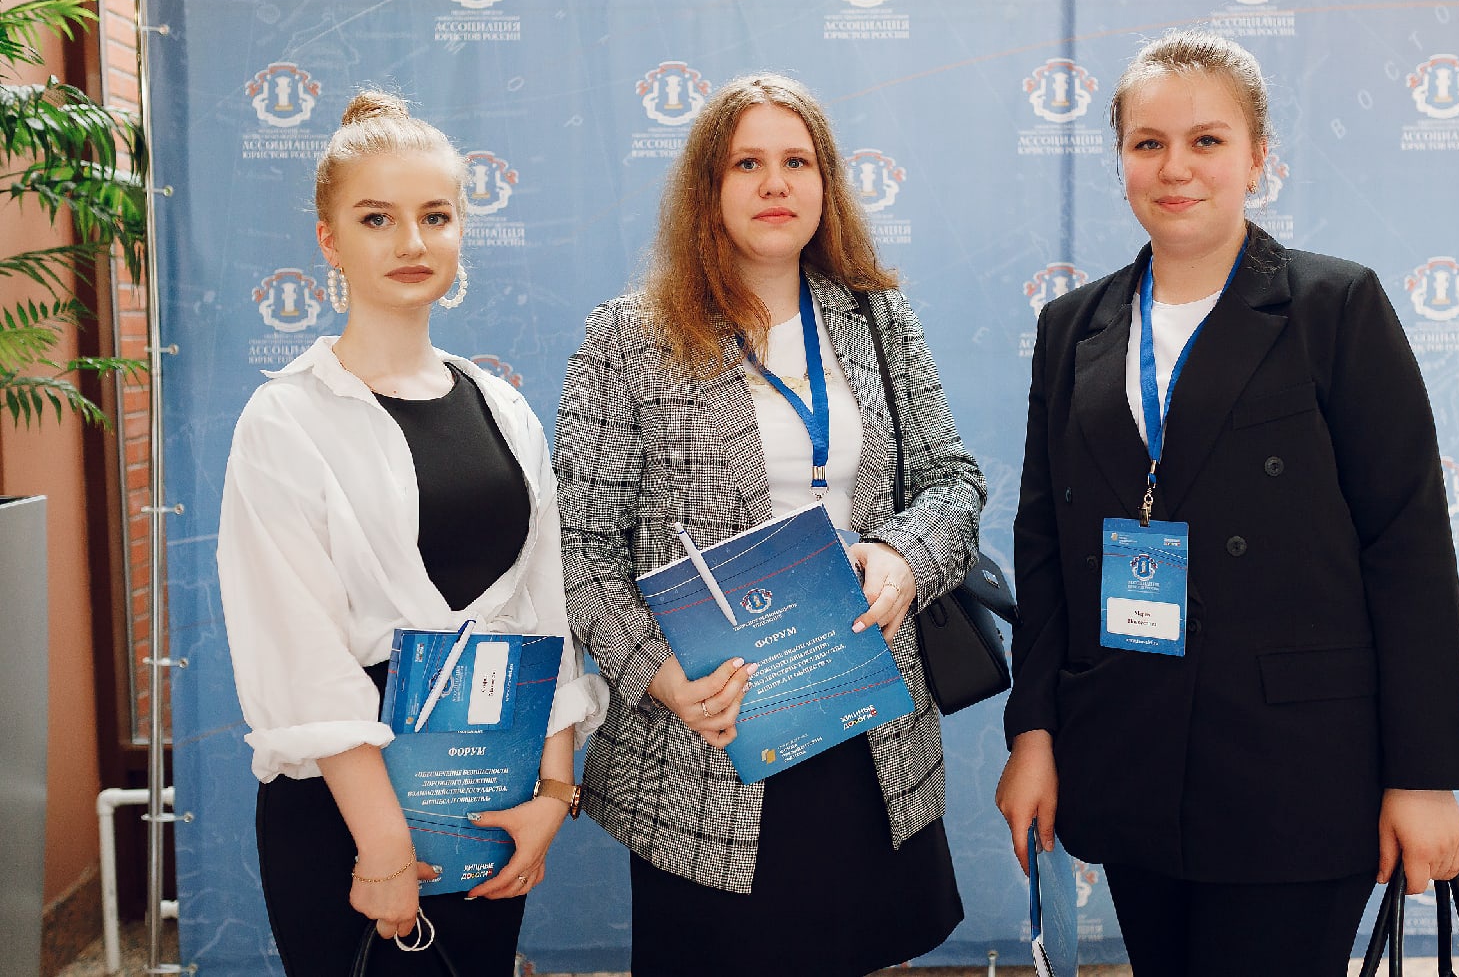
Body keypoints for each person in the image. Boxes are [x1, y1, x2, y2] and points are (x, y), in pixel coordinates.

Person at [995, 31, 1459, 976]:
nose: (1175, 167)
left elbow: (1408, 545)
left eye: (1207, 141)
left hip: (1295, 766)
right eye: (1148, 143)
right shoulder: (1072, 326)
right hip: (1127, 748)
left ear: (1258, 157)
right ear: (1122, 160)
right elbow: (1044, 545)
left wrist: (1422, 776)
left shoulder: (1334, 306)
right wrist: (1035, 732)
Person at [555, 73, 985, 977]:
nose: (775, 183)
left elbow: (954, 482)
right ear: (708, 188)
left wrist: (902, 556)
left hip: (869, 724)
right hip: (708, 732)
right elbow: (583, 552)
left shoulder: (876, 320)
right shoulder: (628, 338)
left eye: (797, 161)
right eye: (747, 163)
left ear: (827, 184)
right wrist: (665, 679)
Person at [216, 90, 606, 976]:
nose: (412, 242)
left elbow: (545, 617)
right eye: (377, 218)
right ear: (329, 240)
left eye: (435, 216)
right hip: (346, 816)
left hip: (488, 799)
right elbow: (301, 652)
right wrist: (385, 842)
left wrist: (551, 793)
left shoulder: (504, 409)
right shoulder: (285, 418)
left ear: (462, 230)